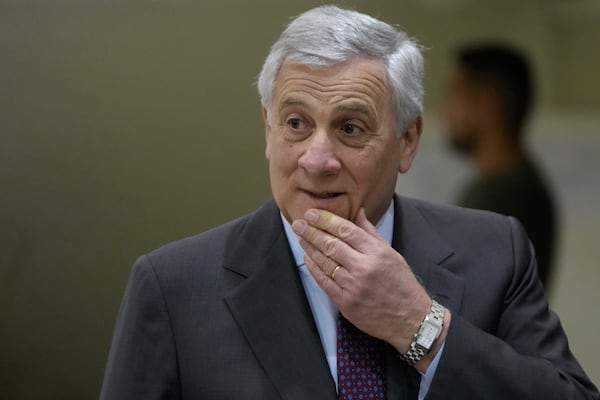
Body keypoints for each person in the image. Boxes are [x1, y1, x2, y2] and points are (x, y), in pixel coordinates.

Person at [100, 6, 598, 399]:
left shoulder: (496, 252)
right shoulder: (172, 288)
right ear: (267, 129)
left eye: (350, 128)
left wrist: (416, 324)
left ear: (407, 140)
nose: (317, 160)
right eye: (296, 123)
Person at [442, 43, 557, 288]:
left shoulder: (504, 194)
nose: (446, 110)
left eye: (455, 93)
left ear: (486, 103)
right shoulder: (513, 185)